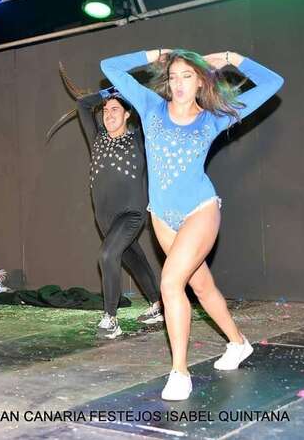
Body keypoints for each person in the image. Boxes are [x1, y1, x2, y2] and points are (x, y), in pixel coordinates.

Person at [100, 48, 283, 400]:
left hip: (200, 210)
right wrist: (156, 54)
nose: (179, 84)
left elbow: (273, 83)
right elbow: (108, 65)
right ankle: (238, 343)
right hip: (162, 216)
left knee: (170, 283)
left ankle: (179, 372)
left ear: (200, 81)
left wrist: (232, 58)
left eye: (187, 76)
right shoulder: (150, 106)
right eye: (174, 77)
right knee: (201, 286)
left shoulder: (213, 117)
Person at [73, 86, 163, 339]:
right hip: (104, 220)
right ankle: (158, 305)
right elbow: (82, 105)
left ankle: (110, 319)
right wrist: (107, 93)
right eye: (105, 111)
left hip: (132, 214)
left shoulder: (138, 139)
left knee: (107, 254)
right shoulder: (97, 138)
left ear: (127, 115)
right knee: (133, 258)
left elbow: (150, 109)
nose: (108, 114)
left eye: (115, 109)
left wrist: (126, 89)